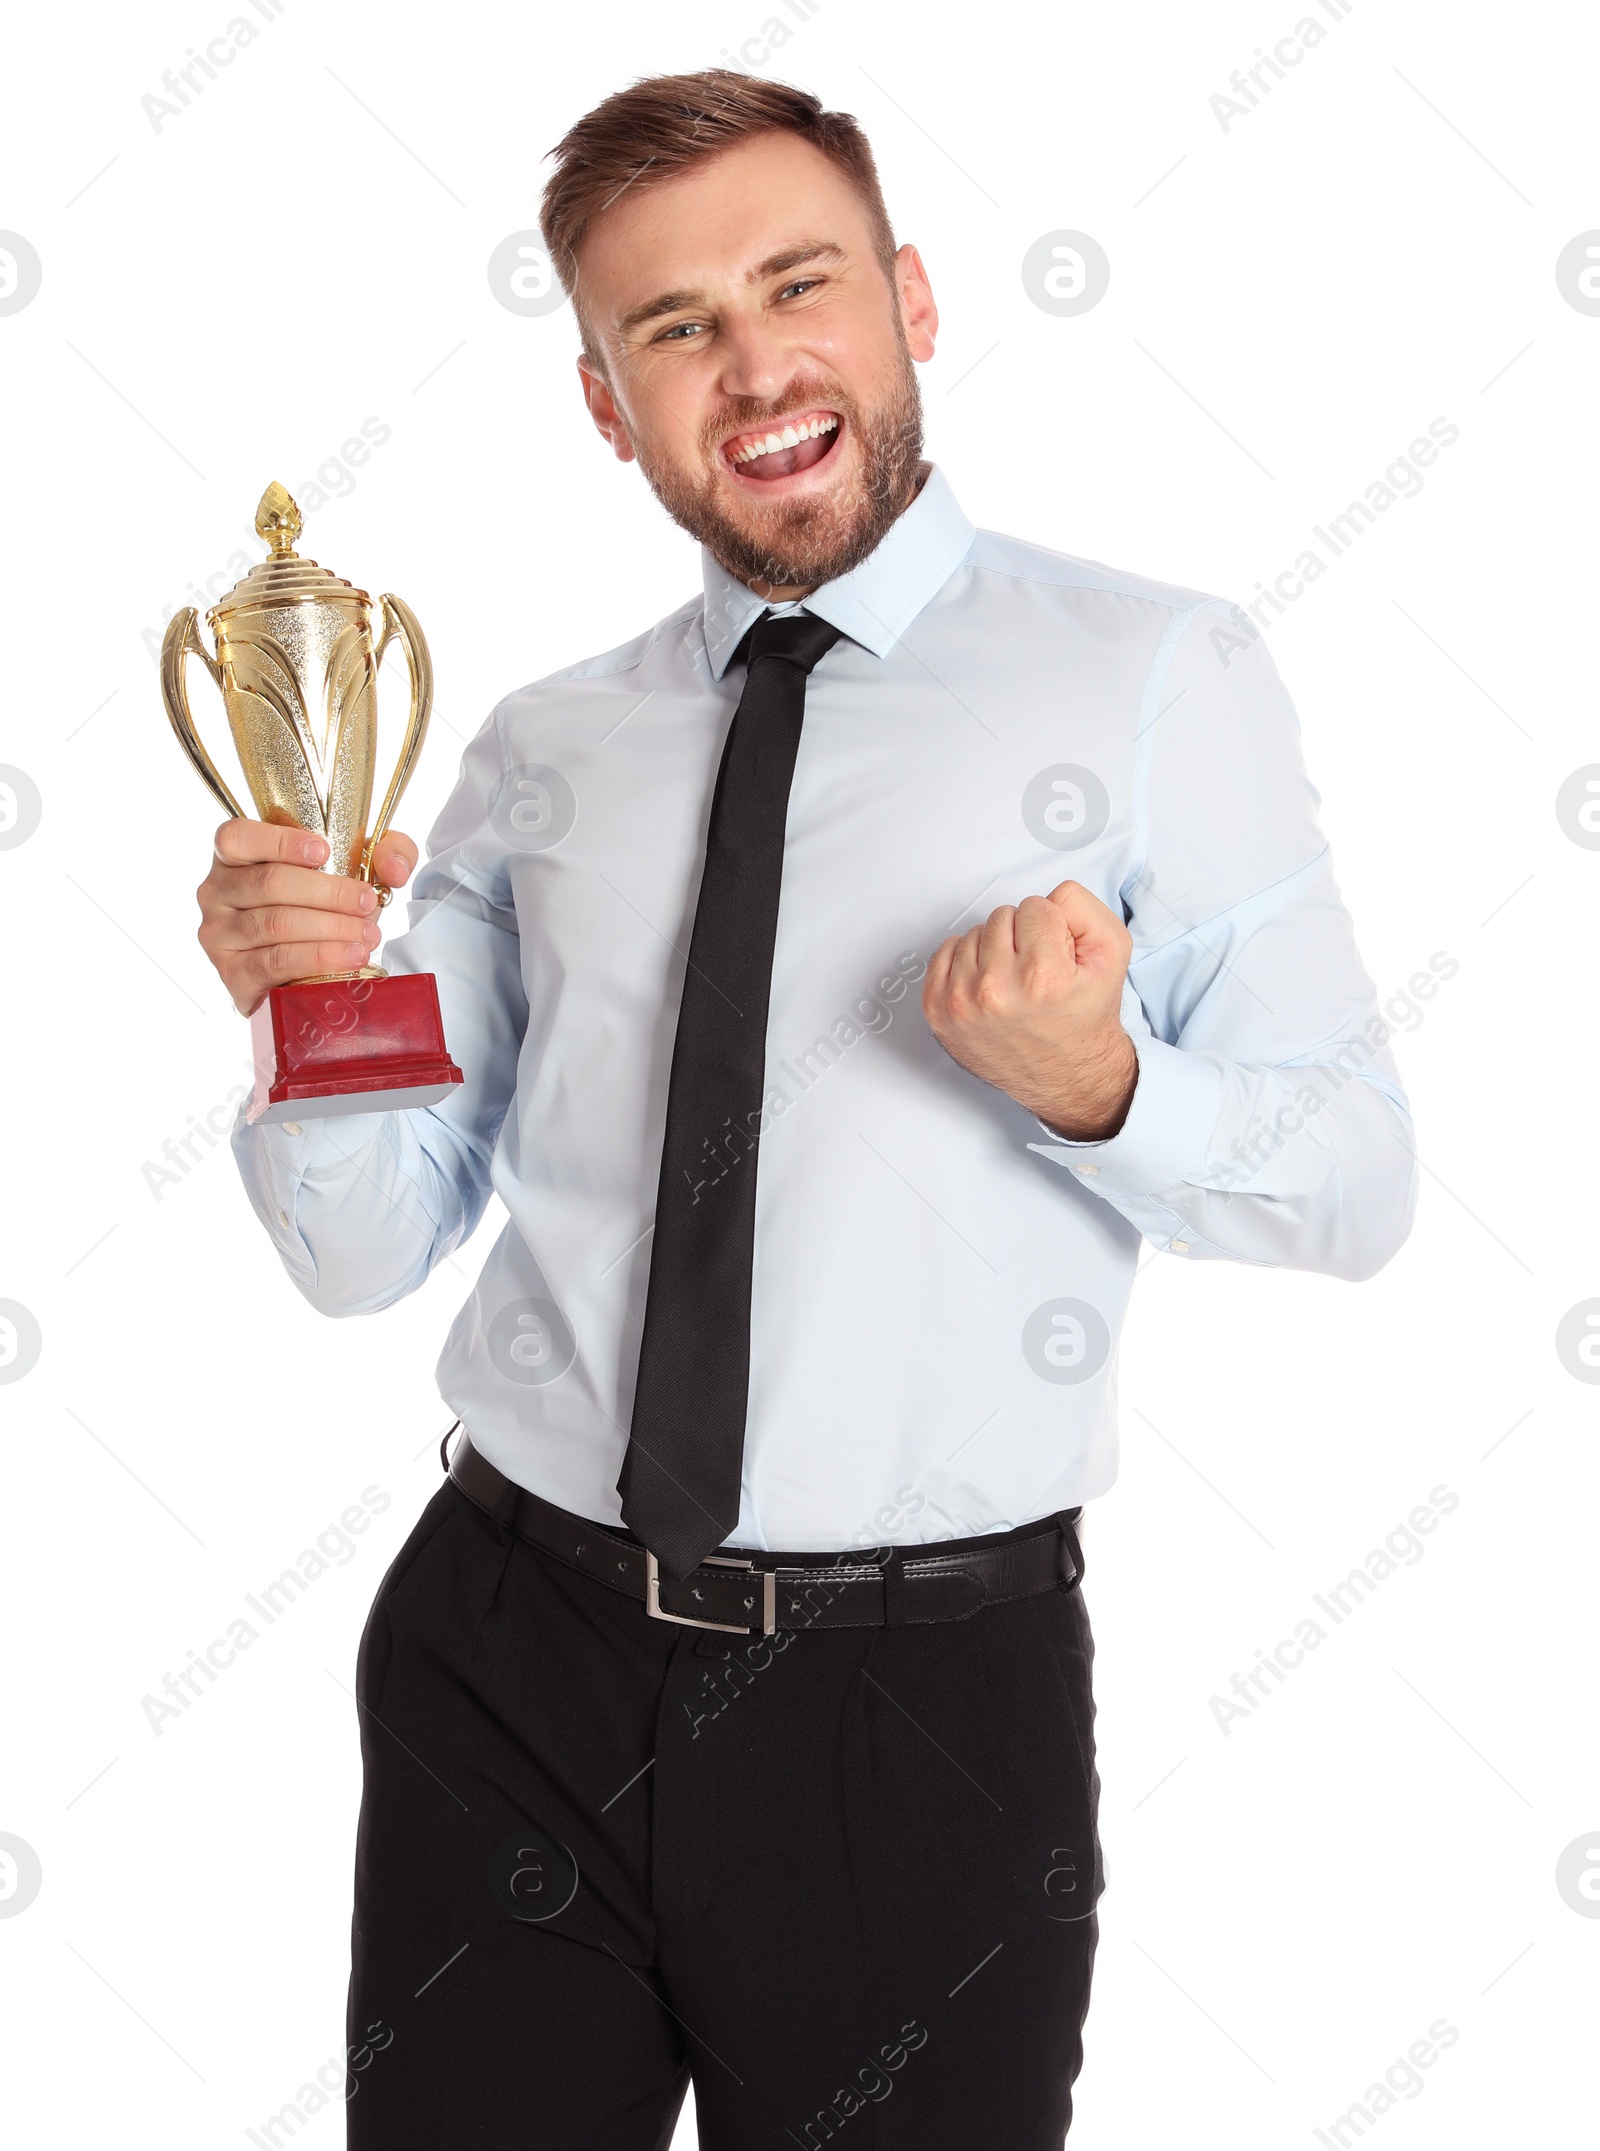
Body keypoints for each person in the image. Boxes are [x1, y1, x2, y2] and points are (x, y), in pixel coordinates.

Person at [197, 70, 1416, 2151]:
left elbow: (1354, 1176)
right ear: (607, 403)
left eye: (798, 284)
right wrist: (311, 1011)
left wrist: (1105, 1089)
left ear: (909, 303)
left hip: (913, 1709)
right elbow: (363, 1246)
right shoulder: (543, 744)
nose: (752, 363)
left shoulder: (1146, 674)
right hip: (509, 1651)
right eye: (672, 327)